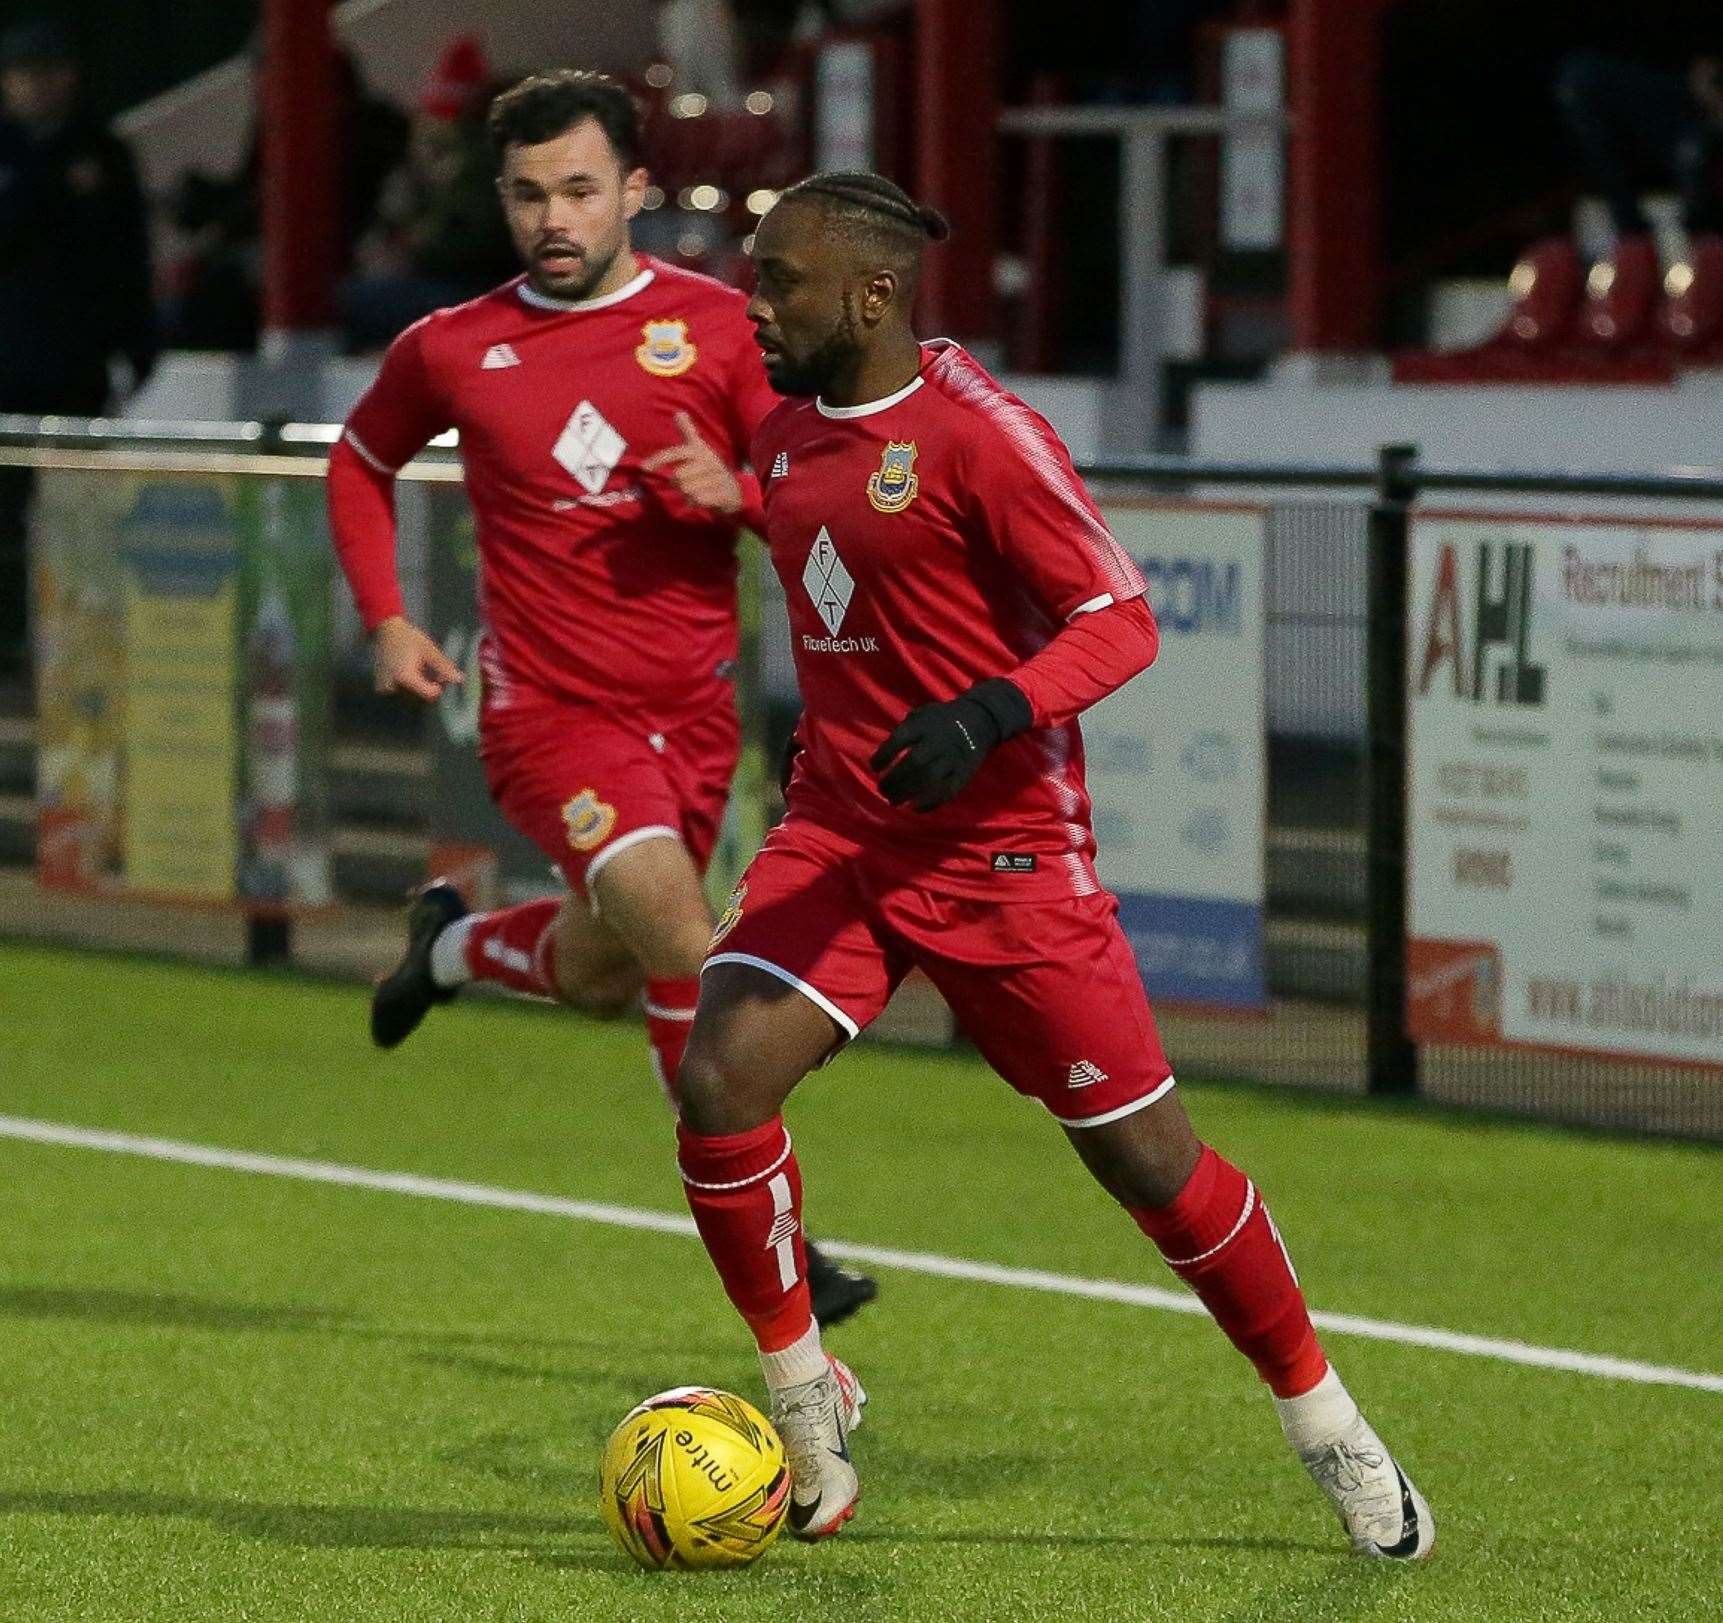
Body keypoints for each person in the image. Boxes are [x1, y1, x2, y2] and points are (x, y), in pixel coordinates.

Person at [671, 170, 1435, 1557]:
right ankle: (804, 1409)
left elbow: (1120, 618)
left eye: (776, 279)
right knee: (717, 1076)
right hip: (841, 833)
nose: (752, 303)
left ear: (872, 292)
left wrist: (986, 711)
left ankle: (1323, 1416)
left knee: (1151, 1164)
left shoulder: (980, 436)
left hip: (1004, 852)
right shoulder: (780, 438)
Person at [325, 69, 877, 1330]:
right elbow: (359, 462)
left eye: (578, 189)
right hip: (549, 720)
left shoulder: (724, 329)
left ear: (633, 188)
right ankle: (787, 1262)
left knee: (606, 972)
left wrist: (736, 492)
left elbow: (809, 481)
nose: (551, 219)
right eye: (527, 195)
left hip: (693, 718)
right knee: (693, 951)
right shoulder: (452, 346)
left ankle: (453, 947)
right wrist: (389, 615)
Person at [0, 15, 155, 675]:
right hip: (4, 362)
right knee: (4, 518)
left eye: (50, 71)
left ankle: (81, 650)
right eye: (24, 75)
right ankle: (8, 646)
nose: (39, 87)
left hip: (74, 362)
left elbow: (128, 259)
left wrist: (137, 347)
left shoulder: (102, 153)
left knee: (78, 514)